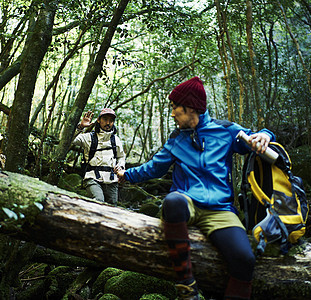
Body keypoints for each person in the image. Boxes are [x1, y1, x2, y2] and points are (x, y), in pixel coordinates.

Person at [115, 77, 275, 300]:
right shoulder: (175, 140)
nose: (172, 114)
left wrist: (266, 134)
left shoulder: (226, 131)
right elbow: (154, 168)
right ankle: (186, 286)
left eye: (174, 108)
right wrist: (126, 175)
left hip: (220, 209)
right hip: (187, 203)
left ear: (190, 108)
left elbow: (257, 138)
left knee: (245, 259)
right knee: (172, 201)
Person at [72, 108, 126, 205]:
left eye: (111, 120)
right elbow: (70, 140)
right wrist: (80, 127)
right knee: (98, 201)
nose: (108, 123)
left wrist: (121, 166)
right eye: (105, 119)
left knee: (112, 206)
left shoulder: (116, 140)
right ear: (98, 120)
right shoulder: (89, 137)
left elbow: (121, 157)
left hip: (111, 180)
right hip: (92, 177)